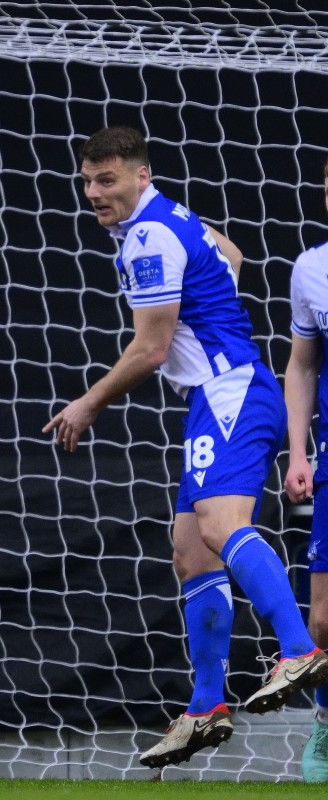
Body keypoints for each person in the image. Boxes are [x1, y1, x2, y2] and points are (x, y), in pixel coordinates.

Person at [44, 126, 328, 769]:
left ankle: (297, 648)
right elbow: (230, 254)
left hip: (229, 389)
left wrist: (88, 403)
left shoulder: (148, 236)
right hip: (217, 393)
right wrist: (208, 295)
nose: (93, 193)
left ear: (140, 177)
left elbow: (151, 348)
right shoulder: (168, 216)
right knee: (189, 549)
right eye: (87, 181)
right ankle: (204, 706)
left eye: (107, 179)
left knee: (221, 524)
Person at [283, 157, 328, 783]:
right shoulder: (312, 269)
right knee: (323, 618)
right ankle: (325, 723)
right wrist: (298, 452)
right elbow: (302, 366)